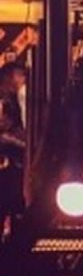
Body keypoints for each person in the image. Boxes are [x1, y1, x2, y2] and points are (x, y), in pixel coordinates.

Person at [0, 63, 26, 238]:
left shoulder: (14, 100)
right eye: (21, 75)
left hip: (13, 163)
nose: (24, 79)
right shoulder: (5, 101)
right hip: (8, 162)